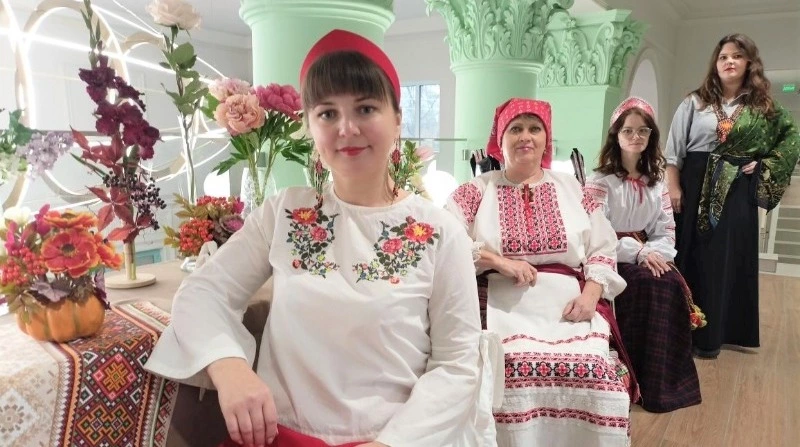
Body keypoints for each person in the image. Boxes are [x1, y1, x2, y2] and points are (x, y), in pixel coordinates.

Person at [145, 29, 485, 446]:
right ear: (309, 125)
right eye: (327, 113)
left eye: (365, 108)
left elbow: (458, 363)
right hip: (281, 436)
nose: (347, 128)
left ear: (398, 119)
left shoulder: (439, 232)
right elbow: (203, 292)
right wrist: (228, 366)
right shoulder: (285, 213)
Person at [446, 98, 637, 446]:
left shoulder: (573, 188)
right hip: (501, 303)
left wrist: (591, 294)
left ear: (546, 139)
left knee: (595, 375)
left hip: (568, 304)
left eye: (535, 129)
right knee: (508, 371)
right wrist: (498, 260)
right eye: (515, 129)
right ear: (500, 139)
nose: (526, 137)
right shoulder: (476, 190)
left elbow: (603, 245)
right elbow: (447, 238)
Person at [665, 33, 800, 359]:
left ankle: (717, 335)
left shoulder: (763, 108)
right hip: (694, 183)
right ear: (715, 63)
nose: (729, 62)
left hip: (737, 189)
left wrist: (765, 163)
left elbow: (791, 139)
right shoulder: (694, 102)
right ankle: (680, 332)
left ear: (749, 63)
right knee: (691, 255)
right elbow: (674, 151)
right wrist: (673, 187)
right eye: (723, 56)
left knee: (725, 259)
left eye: (737, 56)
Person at [586, 97, 701, 413]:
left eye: (643, 131)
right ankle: (632, 375)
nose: (636, 136)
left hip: (649, 251)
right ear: (616, 135)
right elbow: (596, 232)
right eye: (628, 130)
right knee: (643, 284)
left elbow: (666, 229)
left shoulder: (657, 182)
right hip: (611, 255)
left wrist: (654, 253)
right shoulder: (599, 181)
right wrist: (637, 253)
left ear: (651, 135)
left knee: (668, 282)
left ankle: (663, 382)